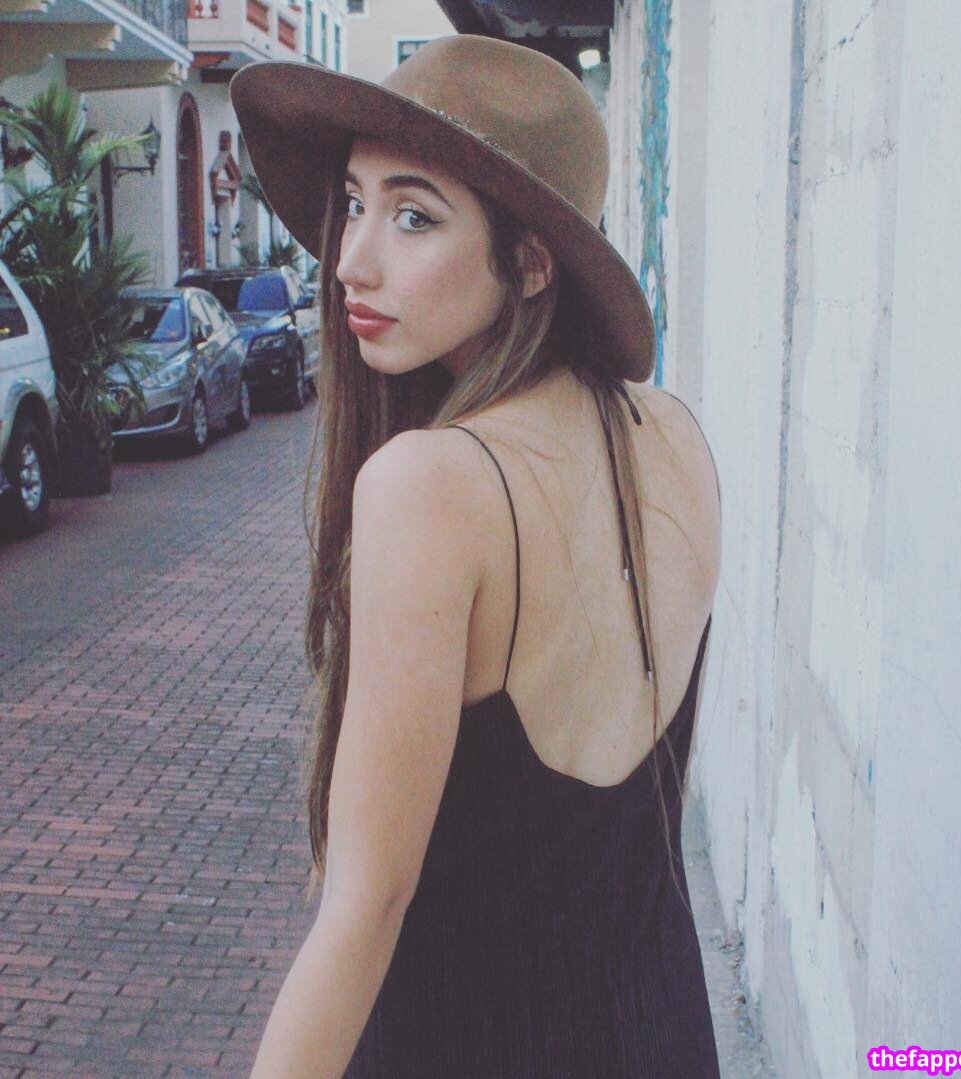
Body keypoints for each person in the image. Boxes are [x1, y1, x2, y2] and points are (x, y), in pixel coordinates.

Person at [231, 33, 723, 1079]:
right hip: (663, 1027)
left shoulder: (428, 485)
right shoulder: (675, 433)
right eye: (353, 203)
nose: (351, 259)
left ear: (533, 260)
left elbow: (367, 906)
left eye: (414, 215)